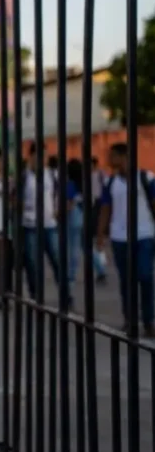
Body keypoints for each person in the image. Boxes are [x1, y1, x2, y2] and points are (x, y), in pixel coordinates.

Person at [96, 142, 155, 337]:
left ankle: (149, 320)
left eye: (112, 156)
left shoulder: (146, 178)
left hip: (144, 234)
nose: (108, 160)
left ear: (123, 156)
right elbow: (105, 209)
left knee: (145, 276)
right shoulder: (110, 183)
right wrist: (100, 234)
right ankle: (130, 320)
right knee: (126, 281)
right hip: (120, 238)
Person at [21, 142, 67, 307]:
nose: (44, 160)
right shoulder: (24, 176)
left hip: (49, 225)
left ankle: (66, 297)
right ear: (31, 157)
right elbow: (14, 200)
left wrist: (58, 211)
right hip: (30, 225)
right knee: (32, 264)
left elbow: (61, 194)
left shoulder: (53, 175)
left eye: (46, 156)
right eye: (40, 156)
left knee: (57, 261)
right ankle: (36, 296)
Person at [64, 158, 106, 286]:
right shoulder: (83, 183)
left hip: (74, 216)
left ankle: (71, 275)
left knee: (74, 247)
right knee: (86, 246)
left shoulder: (70, 183)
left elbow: (69, 203)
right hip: (84, 215)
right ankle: (100, 269)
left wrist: (60, 214)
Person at [90, 156, 110, 284]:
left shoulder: (101, 174)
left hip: (100, 202)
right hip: (92, 203)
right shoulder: (87, 175)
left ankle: (101, 262)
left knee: (99, 230)